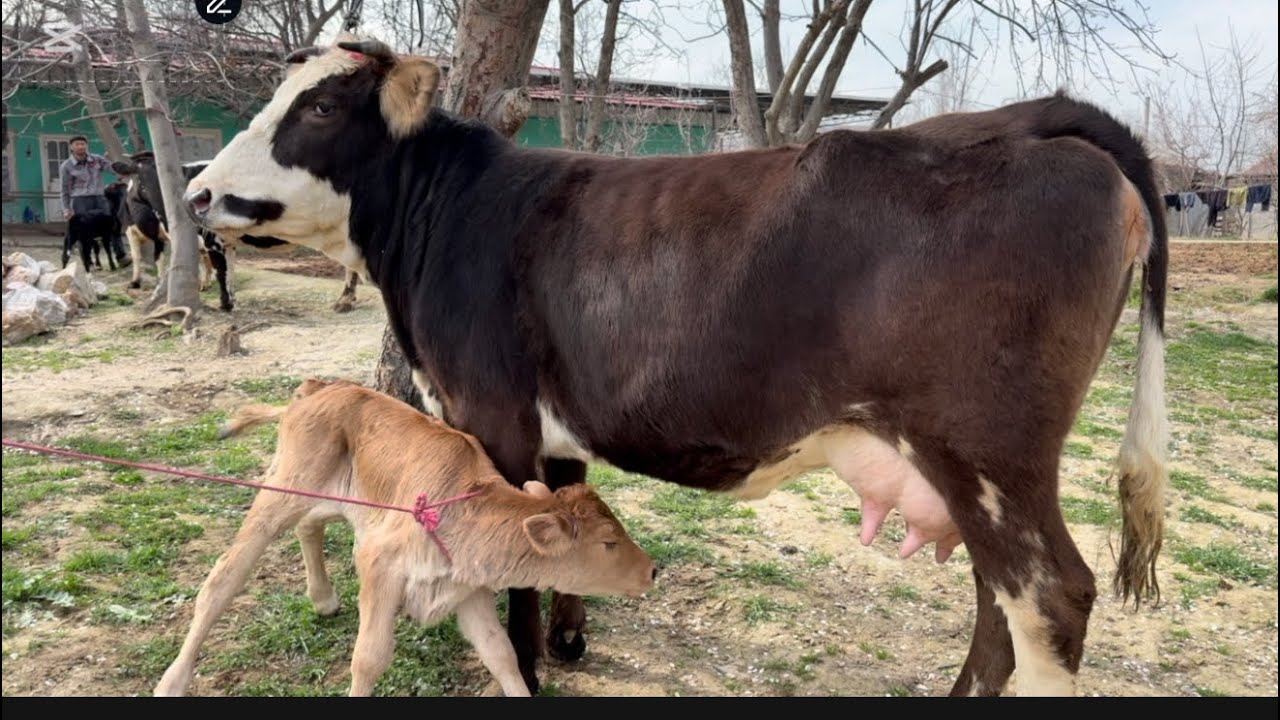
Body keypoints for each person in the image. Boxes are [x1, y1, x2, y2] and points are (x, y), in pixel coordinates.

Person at [59, 135, 130, 268]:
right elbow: (64, 190)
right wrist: (66, 209)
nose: (81, 146)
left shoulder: (96, 160)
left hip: (99, 198)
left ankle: (121, 256)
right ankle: (88, 261)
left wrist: (121, 173)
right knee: (83, 231)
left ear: (86, 146)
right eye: (77, 144)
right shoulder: (66, 166)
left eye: (83, 144)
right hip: (80, 201)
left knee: (113, 226)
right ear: (71, 147)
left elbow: (110, 167)